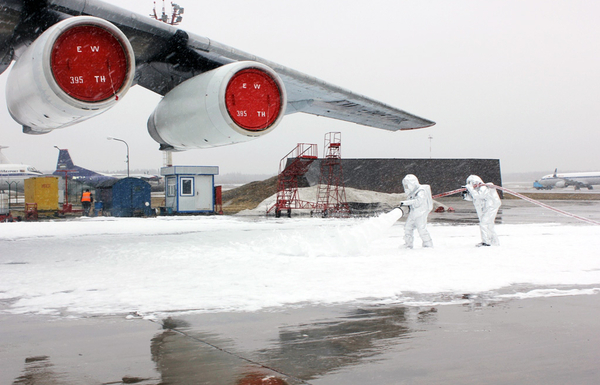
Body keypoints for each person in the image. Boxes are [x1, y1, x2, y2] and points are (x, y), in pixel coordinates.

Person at [462, 175, 501, 247]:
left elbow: (479, 196)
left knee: (484, 223)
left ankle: (486, 242)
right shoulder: (476, 189)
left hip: (490, 207)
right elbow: (473, 198)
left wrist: (470, 189)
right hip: (485, 208)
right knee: (489, 224)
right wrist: (465, 193)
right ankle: (494, 241)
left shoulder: (483, 187)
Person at [400, 174, 433, 248]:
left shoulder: (421, 190)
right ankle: (408, 244)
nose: (406, 187)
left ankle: (428, 244)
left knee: (421, 229)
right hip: (413, 212)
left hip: (421, 213)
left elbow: (419, 201)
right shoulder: (412, 192)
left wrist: (407, 202)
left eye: (407, 185)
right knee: (408, 228)